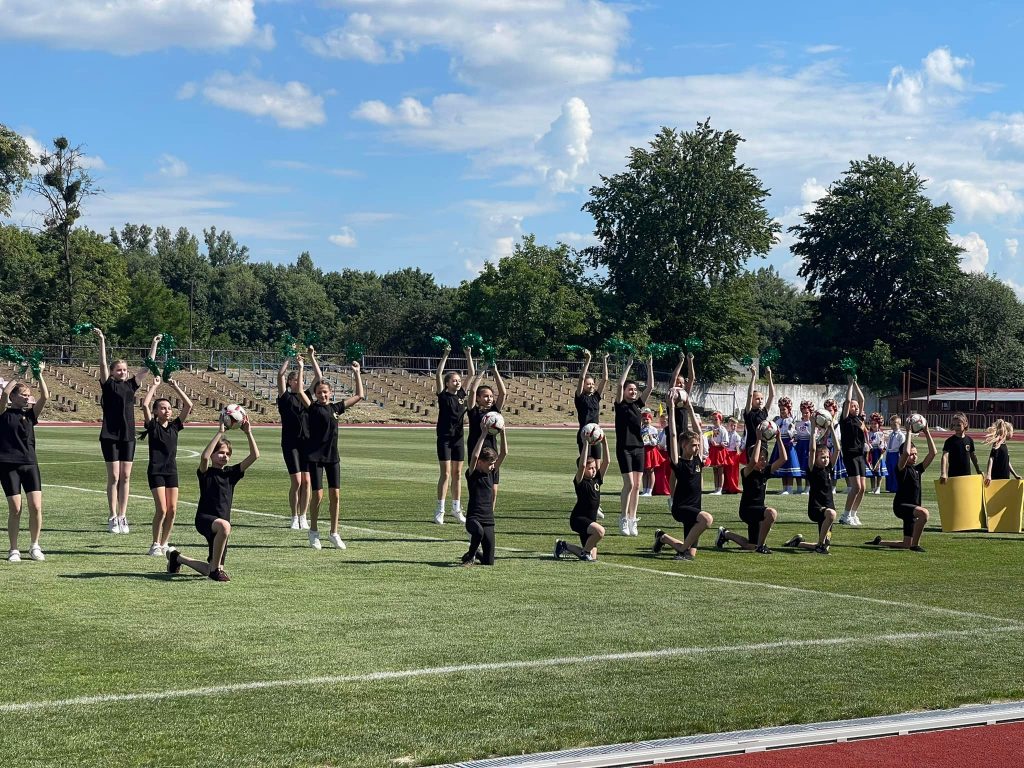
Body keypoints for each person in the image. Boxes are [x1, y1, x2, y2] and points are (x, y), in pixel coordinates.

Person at [166, 419, 260, 581]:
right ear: (213, 454)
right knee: (224, 528)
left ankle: (177, 558)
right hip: (205, 519)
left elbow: (254, 456)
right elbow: (204, 457)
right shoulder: (206, 473)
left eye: (228, 454)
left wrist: (248, 432)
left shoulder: (231, 474)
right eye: (221, 452)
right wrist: (220, 432)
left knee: (210, 568)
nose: (225, 456)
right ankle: (216, 571)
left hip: (222, 527)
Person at [94, 328, 161, 534]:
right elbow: (102, 364)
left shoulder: (131, 385)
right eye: (119, 370)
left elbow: (147, 368)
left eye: (124, 370)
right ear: (113, 372)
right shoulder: (108, 385)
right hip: (110, 435)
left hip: (128, 436)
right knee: (114, 477)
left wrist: (154, 344)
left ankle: (123, 516)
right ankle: (112, 516)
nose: (122, 372)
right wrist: (102, 340)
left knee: (125, 476)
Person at [299, 362, 365, 550]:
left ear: (331, 392)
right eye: (319, 392)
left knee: (335, 495)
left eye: (325, 392)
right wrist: (302, 367)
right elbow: (300, 392)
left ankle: (334, 533)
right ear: (315, 394)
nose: (323, 395)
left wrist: (356, 373)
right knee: (318, 495)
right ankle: (313, 532)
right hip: (315, 457)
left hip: (332, 457)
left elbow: (359, 395)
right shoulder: (312, 408)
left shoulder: (336, 408)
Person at [653, 392, 714, 560]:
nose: (697, 448)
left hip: (695, 508)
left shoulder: (698, 460)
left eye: (698, 445)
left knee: (691, 554)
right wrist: (671, 408)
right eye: (693, 445)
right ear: (684, 445)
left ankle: (663, 538)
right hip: (681, 508)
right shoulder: (678, 462)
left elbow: (699, 431)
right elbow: (673, 434)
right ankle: (681, 550)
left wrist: (689, 406)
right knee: (707, 519)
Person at [140, 376, 193, 556]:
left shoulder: (174, 427)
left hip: (171, 471)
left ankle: (164, 543)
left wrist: (175, 386)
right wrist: (154, 386)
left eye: (169, 408)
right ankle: (155, 544)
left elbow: (188, 406)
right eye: (163, 408)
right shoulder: (153, 427)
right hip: (156, 471)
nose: (167, 411)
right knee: (162, 509)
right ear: (156, 411)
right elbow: (145, 405)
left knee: (172, 510)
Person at [1, 367, 49, 562]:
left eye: (28, 395)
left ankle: (34, 545)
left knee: (36, 507)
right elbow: (4, 394)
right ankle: (13, 549)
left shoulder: (30, 415)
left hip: (29, 464)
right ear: (13, 397)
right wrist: (19, 374)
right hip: (7, 465)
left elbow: (45, 397)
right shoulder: (3, 412)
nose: (27, 398)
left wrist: (39, 374)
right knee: (15, 508)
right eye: (23, 395)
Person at [716, 425, 788, 554]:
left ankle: (725, 534)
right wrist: (758, 439)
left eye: (764, 458)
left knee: (751, 545)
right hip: (747, 510)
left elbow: (784, 459)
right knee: (771, 513)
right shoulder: (746, 471)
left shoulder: (765, 471)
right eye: (761, 458)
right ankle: (761, 546)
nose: (763, 461)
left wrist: (779, 439)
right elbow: (753, 461)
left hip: (758, 512)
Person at [866, 423, 936, 552]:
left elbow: (933, 453)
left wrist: (927, 432)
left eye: (916, 454)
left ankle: (879, 542)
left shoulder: (917, 470)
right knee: (924, 513)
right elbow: (906, 452)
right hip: (901, 506)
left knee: (905, 544)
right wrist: (908, 432)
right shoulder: (901, 469)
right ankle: (915, 545)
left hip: (913, 509)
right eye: (912, 454)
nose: (914, 456)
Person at [277, 348, 322, 531]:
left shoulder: (307, 396)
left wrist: (311, 357)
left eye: (300, 379)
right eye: (295, 379)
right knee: (296, 481)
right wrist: (290, 355)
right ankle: (294, 516)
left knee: (307, 482)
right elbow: (280, 374)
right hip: (290, 443)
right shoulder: (285, 397)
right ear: (290, 382)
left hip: (307, 443)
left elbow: (319, 376)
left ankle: (303, 516)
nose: (299, 381)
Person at [614, 355, 655, 536]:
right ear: (624, 391)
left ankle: (632, 519)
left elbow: (650, 387)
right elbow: (619, 385)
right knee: (629, 484)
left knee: (637, 485)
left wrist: (649, 365)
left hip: (639, 447)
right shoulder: (620, 404)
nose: (633, 391)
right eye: (630, 389)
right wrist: (629, 365)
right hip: (624, 447)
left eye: (635, 390)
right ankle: (623, 518)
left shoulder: (638, 405)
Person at [784, 421, 839, 555]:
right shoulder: (812, 469)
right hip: (816, 508)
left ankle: (798, 542)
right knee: (831, 515)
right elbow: (812, 450)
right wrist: (813, 428)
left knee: (826, 545)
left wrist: (831, 428)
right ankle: (820, 545)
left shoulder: (829, 468)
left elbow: (837, 449)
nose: (826, 459)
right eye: (822, 457)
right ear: (815, 458)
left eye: (827, 457)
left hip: (829, 508)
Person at [434, 345, 474, 524]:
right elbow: (438, 374)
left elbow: (471, 373)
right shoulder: (443, 396)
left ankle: (456, 509)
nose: (458, 382)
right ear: (448, 383)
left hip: (458, 438)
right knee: (446, 474)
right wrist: (445, 354)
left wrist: (468, 354)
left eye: (459, 380)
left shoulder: (461, 395)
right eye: (454, 381)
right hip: (444, 438)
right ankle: (440, 510)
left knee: (457, 474)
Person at [554, 433, 609, 562]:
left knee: (592, 558)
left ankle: (563, 546)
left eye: (594, 468)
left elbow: (607, 462)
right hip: (578, 519)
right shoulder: (580, 481)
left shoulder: (597, 479)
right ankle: (585, 552)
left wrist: (604, 442)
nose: (594, 470)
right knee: (600, 531)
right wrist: (585, 444)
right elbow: (582, 465)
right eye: (590, 468)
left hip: (590, 521)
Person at [461, 424, 508, 566]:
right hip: (474, 518)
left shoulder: (491, 473)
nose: (493, 466)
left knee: (489, 562)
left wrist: (503, 432)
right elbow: (475, 455)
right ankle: (470, 557)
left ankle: (474, 553)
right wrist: (483, 433)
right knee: (478, 532)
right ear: (481, 462)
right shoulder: (472, 474)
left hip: (488, 519)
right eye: (490, 463)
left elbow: (504, 453)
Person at [466, 363, 507, 508]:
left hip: (492, 451)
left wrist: (495, 371)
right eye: (485, 396)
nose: (489, 399)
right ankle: (476, 511)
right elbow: (472, 391)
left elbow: (503, 393)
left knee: (493, 489)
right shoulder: (473, 412)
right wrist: (482, 370)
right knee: (477, 486)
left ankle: (490, 515)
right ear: (478, 398)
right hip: (476, 451)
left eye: (490, 396)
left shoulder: (495, 412)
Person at [837, 377, 867, 527]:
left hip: (860, 455)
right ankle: (845, 515)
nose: (855, 407)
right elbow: (848, 401)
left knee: (863, 488)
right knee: (856, 487)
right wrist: (849, 384)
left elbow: (862, 400)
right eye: (853, 406)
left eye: (856, 406)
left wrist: (855, 383)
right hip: (850, 454)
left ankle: (853, 514)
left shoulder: (859, 419)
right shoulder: (845, 420)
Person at [574, 350, 609, 461]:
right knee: (586, 463)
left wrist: (604, 359)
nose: (591, 386)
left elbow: (605, 379)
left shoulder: (596, 397)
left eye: (593, 384)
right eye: (588, 384)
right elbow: (581, 378)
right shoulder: (580, 397)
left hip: (596, 434)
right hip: (585, 434)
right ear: (584, 385)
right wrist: (588, 359)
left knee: (597, 464)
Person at [742, 364, 775, 463]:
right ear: (752, 400)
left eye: (761, 399)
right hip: (751, 445)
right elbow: (750, 394)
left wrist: (769, 377)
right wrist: (753, 376)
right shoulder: (748, 413)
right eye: (757, 399)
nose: (760, 401)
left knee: (763, 468)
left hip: (763, 445)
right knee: (752, 467)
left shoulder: (763, 412)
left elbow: (772, 396)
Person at [940, 412, 982, 483]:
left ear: (965, 424)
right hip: (953, 475)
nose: (956, 428)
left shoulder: (969, 440)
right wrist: (943, 473)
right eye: (954, 425)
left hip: (966, 476)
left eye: (959, 425)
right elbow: (944, 456)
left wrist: (978, 470)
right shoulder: (949, 441)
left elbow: (973, 456)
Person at [772, 397, 801, 494]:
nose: (782, 411)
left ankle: (790, 488)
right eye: (780, 409)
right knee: (782, 466)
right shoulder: (778, 420)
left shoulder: (791, 421)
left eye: (784, 409)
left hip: (789, 445)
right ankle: (784, 488)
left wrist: (792, 435)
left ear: (789, 409)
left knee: (789, 466)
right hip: (780, 444)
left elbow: (796, 434)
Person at [984, 419, 1020, 485]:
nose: (1012, 434)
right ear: (1007, 432)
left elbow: (1007, 461)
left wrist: (1015, 475)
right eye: (1012, 432)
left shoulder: (1004, 445)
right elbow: (991, 459)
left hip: (1005, 477)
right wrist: (989, 475)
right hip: (997, 478)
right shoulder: (997, 444)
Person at [793, 401, 815, 494]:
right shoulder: (798, 423)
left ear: (810, 413)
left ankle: (808, 487)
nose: (805, 414)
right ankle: (799, 487)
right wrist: (793, 436)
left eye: (807, 413)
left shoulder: (812, 423)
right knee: (798, 465)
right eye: (803, 413)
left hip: (808, 445)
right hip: (800, 446)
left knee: (807, 466)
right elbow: (797, 435)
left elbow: (815, 435)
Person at [640, 408, 662, 496]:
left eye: (647, 419)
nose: (645, 421)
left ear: (650, 420)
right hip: (643, 450)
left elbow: (656, 442)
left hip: (650, 451)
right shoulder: (641, 429)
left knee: (650, 471)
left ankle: (649, 491)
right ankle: (644, 490)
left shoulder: (653, 429)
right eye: (643, 419)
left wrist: (650, 438)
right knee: (644, 471)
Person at [706, 411, 729, 495]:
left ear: (720, 420)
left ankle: (720, 489)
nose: (714, 421)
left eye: (716, 419)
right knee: (715, 470)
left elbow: (726, 442)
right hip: (713, 451)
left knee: (720, 471)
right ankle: (716, 488)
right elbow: (706, 438)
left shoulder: (723, 430)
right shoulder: (710, 429)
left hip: (720, 451)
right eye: (713, 419)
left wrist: (718, 444)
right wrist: (710, 440)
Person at [867, 412, 888, 495]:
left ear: (879, 424)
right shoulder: (869, 433)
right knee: (871, 471)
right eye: (872, 423)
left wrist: (882, 448)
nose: (873, 425)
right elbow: (867, 442)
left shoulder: (881, 434)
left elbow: (884, 444)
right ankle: (872, 488)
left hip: (878, 453)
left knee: (879, 471)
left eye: (875, 423)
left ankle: (878, 488)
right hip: (871, 453)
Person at [884, 415, 905, 493]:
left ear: (899, 424)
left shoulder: (901, 435)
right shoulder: (891, 434)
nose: (892, 426)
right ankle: (889, 487)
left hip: (896, 454)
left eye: (894, 424)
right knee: (889, 471)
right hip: (889, 454)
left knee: (895, 471)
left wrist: (900, 457)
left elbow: (901, 446)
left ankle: (895, 487)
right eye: (891, 424)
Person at [722, 417, 742, 494]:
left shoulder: (737, 436)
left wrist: (737, 450)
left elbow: (737, 448)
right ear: (728, 425)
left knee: (733, 472)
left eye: (734, 426)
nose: (733, 427)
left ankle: (733, 487)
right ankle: (726, 487)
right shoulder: (726, 434)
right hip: (726, 454)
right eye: (731, 425)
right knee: (726, 471)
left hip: (733, 454)